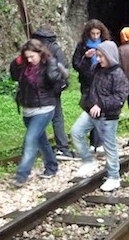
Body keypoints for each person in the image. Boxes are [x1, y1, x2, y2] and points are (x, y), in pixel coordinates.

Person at [70, 40, 129, 192]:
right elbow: (84, 73)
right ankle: (88, 161)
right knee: (76, 132)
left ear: (110, 56)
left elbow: (120, 97)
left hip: (107, 117)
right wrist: (87, 58)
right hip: (91, 111)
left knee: (109, 147)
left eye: (102, 56)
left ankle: (114, 177)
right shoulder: (97, 68)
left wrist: (101, 104)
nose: (99, 59)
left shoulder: (118, 74)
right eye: (98, 56)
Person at [9, 39, 67, 187]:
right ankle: (52, 167)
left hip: (45, 108)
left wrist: (52, 65)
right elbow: (14, 75)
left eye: (32, 56)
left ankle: (21, 175)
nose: (30, 60)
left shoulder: (49, 64)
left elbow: (56, 81)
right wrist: (18, 61)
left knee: (30, 140)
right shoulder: (24, 67)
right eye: (27, 57)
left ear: (40, 53)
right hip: (28, 109)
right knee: (41, 140)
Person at [30, 27, 75, 160]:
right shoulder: (54, 48)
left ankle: (35, 147)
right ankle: (63, 148)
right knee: (57, 118)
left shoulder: (35, 49)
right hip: (53, 88)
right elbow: (63, 65)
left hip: (39, 88)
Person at [72, 19, 110, 154]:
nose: (95, 36)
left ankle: (98, 141)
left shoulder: (106, 44)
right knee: (89, 110)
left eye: (97, 33)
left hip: (101, 81)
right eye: (92, 33)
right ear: (88, 33)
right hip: (87, 82)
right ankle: (93, 141)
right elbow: (75, 64)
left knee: (100, 109)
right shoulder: (82, 46)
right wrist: (86, 58)